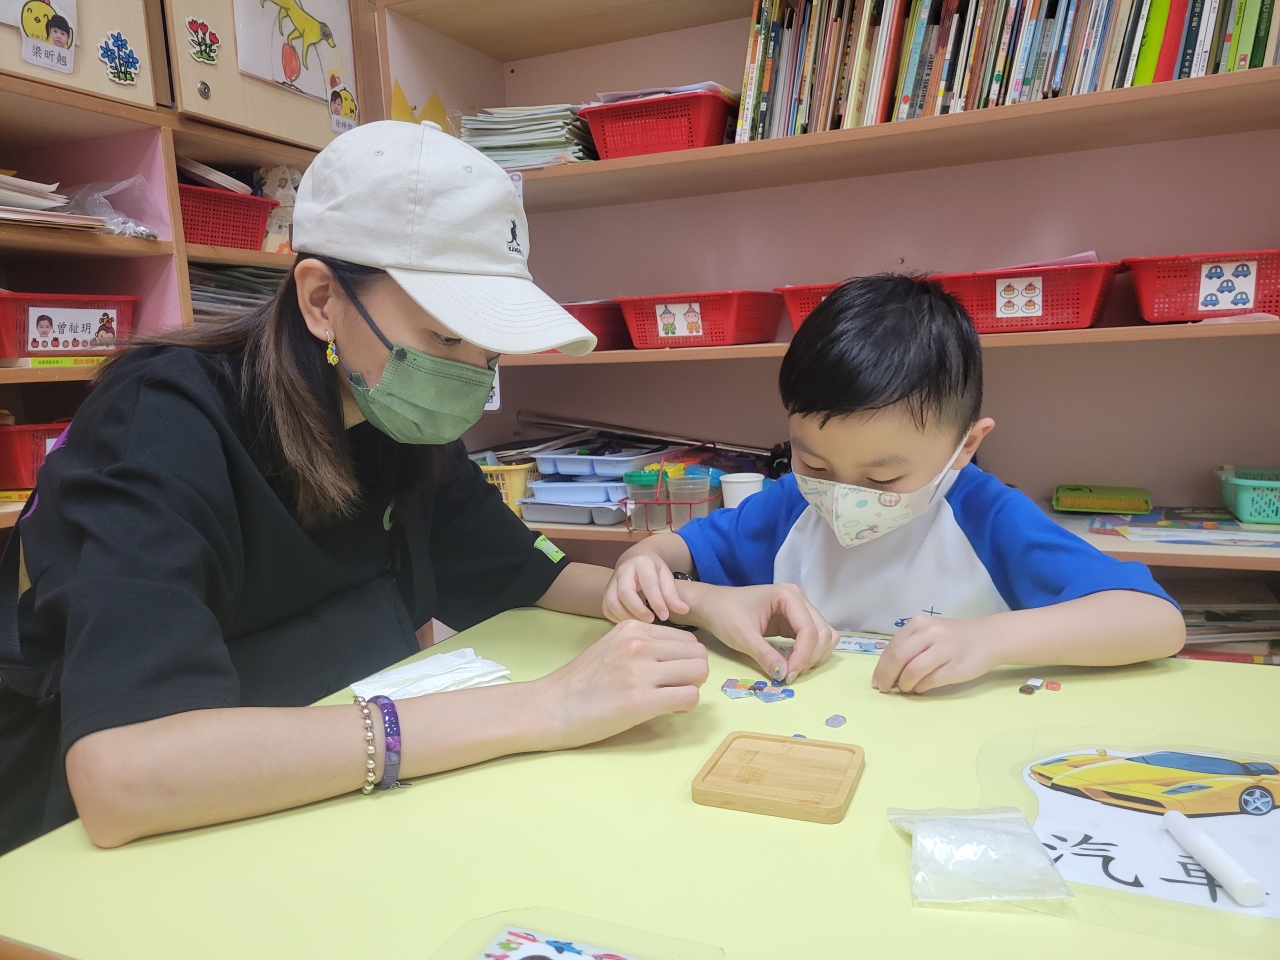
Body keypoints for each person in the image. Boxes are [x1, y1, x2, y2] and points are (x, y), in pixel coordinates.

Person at [0, 121, 835, 855]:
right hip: (92, 843)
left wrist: (700, 602)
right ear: (322, 300)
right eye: (444, 337)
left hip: (306, 807)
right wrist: (538, 709)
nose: (470, 376)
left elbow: (528, 576)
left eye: (488, 349)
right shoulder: (160, 422)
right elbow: (126, 773)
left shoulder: (393, 413)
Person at [605, 275, 1185, 694]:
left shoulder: (986, 514)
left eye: (882, 477)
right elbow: (669, 552)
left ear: (966, 447)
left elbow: (1155, 621)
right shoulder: (788, 505)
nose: (842, 496)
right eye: (816, 465)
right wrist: (642, 560)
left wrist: (990, 641)